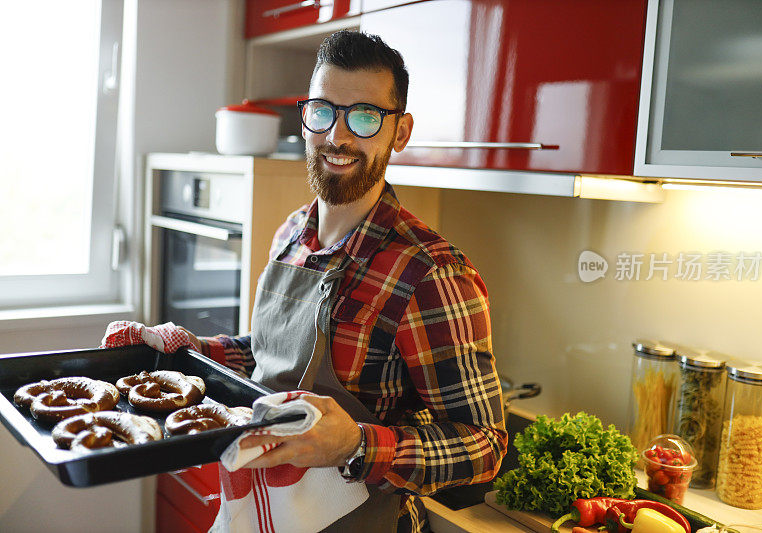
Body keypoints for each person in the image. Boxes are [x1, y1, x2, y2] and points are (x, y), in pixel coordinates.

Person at [106, 31, 506, 533]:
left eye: (363, 116)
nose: (337, 137)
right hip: (259, 512)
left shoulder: (430, 273)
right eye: (323, 111)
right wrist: (186, 350)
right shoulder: (292, 233)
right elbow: (271, 358)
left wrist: (357, 443)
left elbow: (485, 446)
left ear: (399, 132)